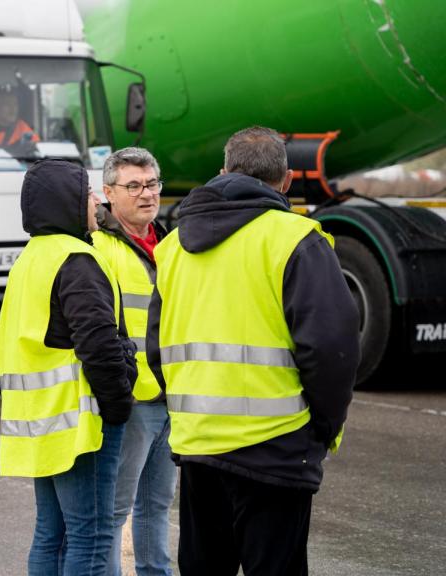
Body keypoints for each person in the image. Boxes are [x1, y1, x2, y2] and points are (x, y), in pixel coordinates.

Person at [146, 126, 360, 576]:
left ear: (222, 172)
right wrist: (323, 427)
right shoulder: (297, 240)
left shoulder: (172, 248)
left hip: (199, 447)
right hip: (276, 449)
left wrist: (193, 409)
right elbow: (332, 350)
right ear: (285, 181)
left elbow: (156, 348)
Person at [0, 158, 136, 575]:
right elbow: (98, 345)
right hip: (81, 427)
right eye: (87, 192)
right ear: (68, 203)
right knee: (90, 538)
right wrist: (119, 406)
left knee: (51, 536)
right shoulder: (77, 259)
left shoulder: (29, 259)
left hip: (43, 423)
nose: (95, 201)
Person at [92, 148, 176, 576]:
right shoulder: (100, 248)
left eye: (153, 184)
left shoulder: (169, 244)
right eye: (134, 186)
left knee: (156, 509)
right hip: (131, 405)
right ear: (108, 193)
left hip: (169, 401)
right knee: (114, 513)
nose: (147, 194)